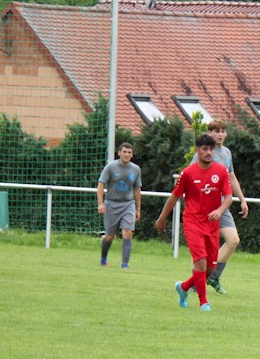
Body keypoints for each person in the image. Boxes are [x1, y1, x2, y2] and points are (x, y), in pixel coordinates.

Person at [155, 133, 232, 312]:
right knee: (201, 264)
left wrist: (219, 211)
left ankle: (183, 288)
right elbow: (175, 196)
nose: (208, 153)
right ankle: (203, 302)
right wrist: (162, 217)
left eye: (211, 149)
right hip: (193, 222)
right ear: (197, 151)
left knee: (211, 269)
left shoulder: (221, 171)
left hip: (212, 224)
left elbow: (228, 197)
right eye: (204, 149)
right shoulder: (188, 173)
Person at [190, 120, 248, 294]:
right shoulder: (204, 152)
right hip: (203, 207)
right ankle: (196, 281)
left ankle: (212, 277)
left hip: (221, 207)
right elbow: (191, 175)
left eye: (223, 131)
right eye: (217, 131)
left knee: (233, 240)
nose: (221, 134)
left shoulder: (227, 153)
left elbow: (231, 176)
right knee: (204, 249)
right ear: (210, 134)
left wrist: (242, 199)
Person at [97, 142, 142, 269]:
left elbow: (137, 189)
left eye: (129, 152)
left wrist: (138, 208)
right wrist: (100, 203)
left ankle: (124, 264)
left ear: (132, 154)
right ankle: (103, 257)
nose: (126, 154)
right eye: (124, 152)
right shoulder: (111, 167)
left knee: (128, 232)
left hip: (128, 204)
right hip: (111, 203)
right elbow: (101, 184)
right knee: (110, 236)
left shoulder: (136, 169)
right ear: (119, 153)